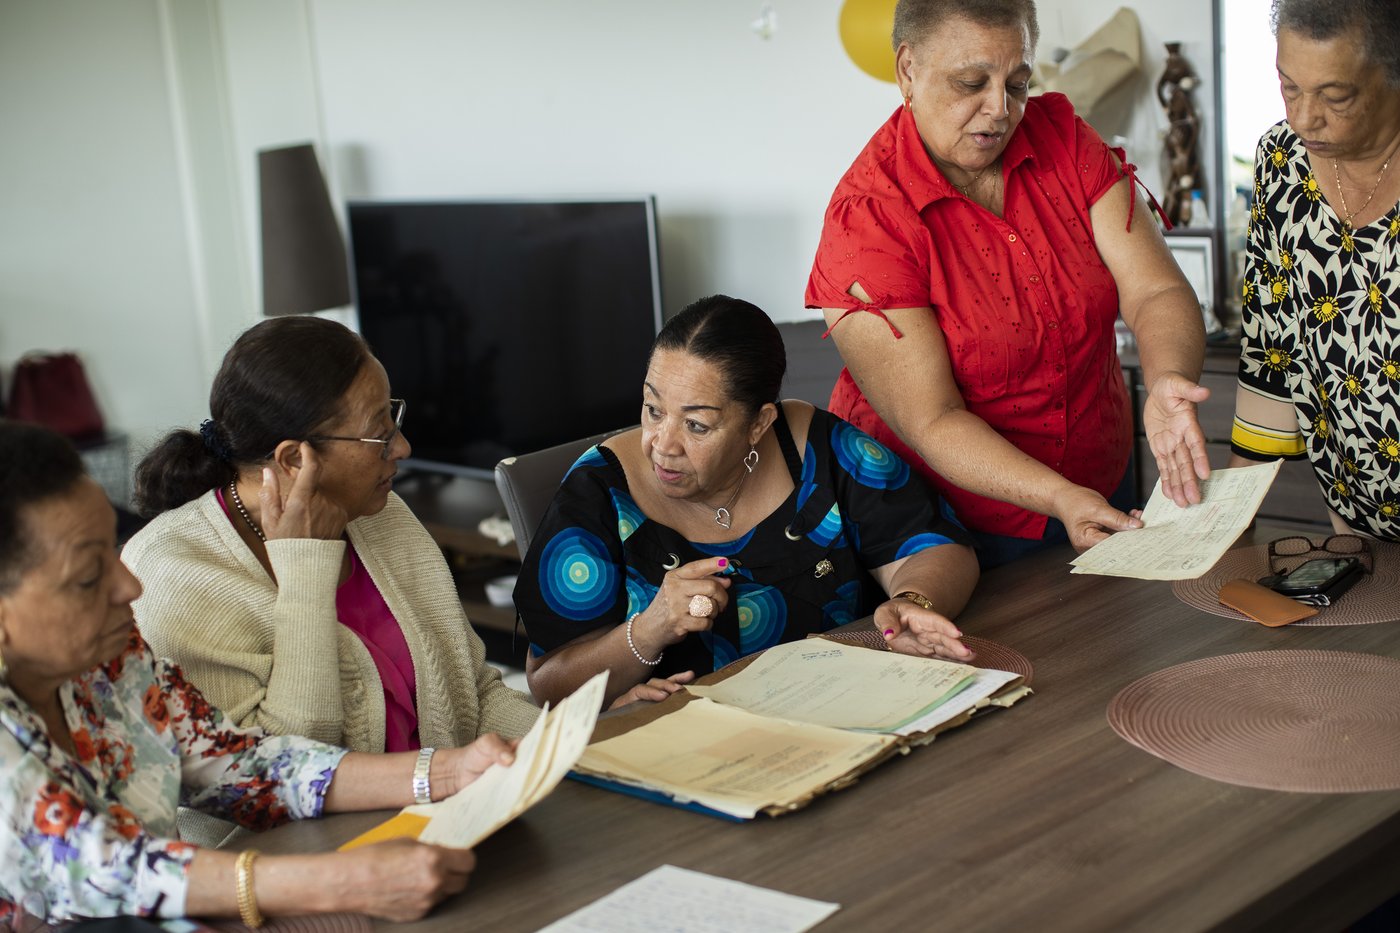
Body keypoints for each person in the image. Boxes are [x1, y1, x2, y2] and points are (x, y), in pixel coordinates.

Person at [0, 420, 518, 924]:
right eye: (89, 577)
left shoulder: (108, 662)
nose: (128, 588)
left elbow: (240, 762)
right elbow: (101, 868)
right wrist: (342, 881)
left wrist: (446, 771)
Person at [806, 0, 1213, 567]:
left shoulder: (1064, 138)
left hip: (1099, 480)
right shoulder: (869, 220)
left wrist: (1169, 379)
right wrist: (1055, 495)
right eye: (971, 82)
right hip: (947, 523)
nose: (1000, 109)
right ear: (907, 71)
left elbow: (1156, 291)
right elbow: (933, 420)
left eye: (1018, 83)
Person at [123, 317, 540, 842]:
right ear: (295, 459)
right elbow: (282, 776)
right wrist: (304, 566)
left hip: (448, 823)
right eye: (379, 436)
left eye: (394, 422)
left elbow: (475, 693)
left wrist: (568, 747)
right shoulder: (176, 576)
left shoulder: (380, 515)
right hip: (288, 867)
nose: (403, 448)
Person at [516, 295, 980, 708]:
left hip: (840, 712)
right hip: (688, 749)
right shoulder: (600, 492)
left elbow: (935, 546)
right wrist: (649, 630)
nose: (662, 444)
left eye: (697, 425)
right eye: (653, 410)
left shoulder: (813, 446)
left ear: (758, 424)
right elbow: (546, 682)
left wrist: (914, 600)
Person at [1229, 0, 1400, 541]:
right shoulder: (1281, 163)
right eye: (1289, 87)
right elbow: (1270, 353)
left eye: (1335, 95)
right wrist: (1230, 525)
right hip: (1355, 526)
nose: (1304, 118)